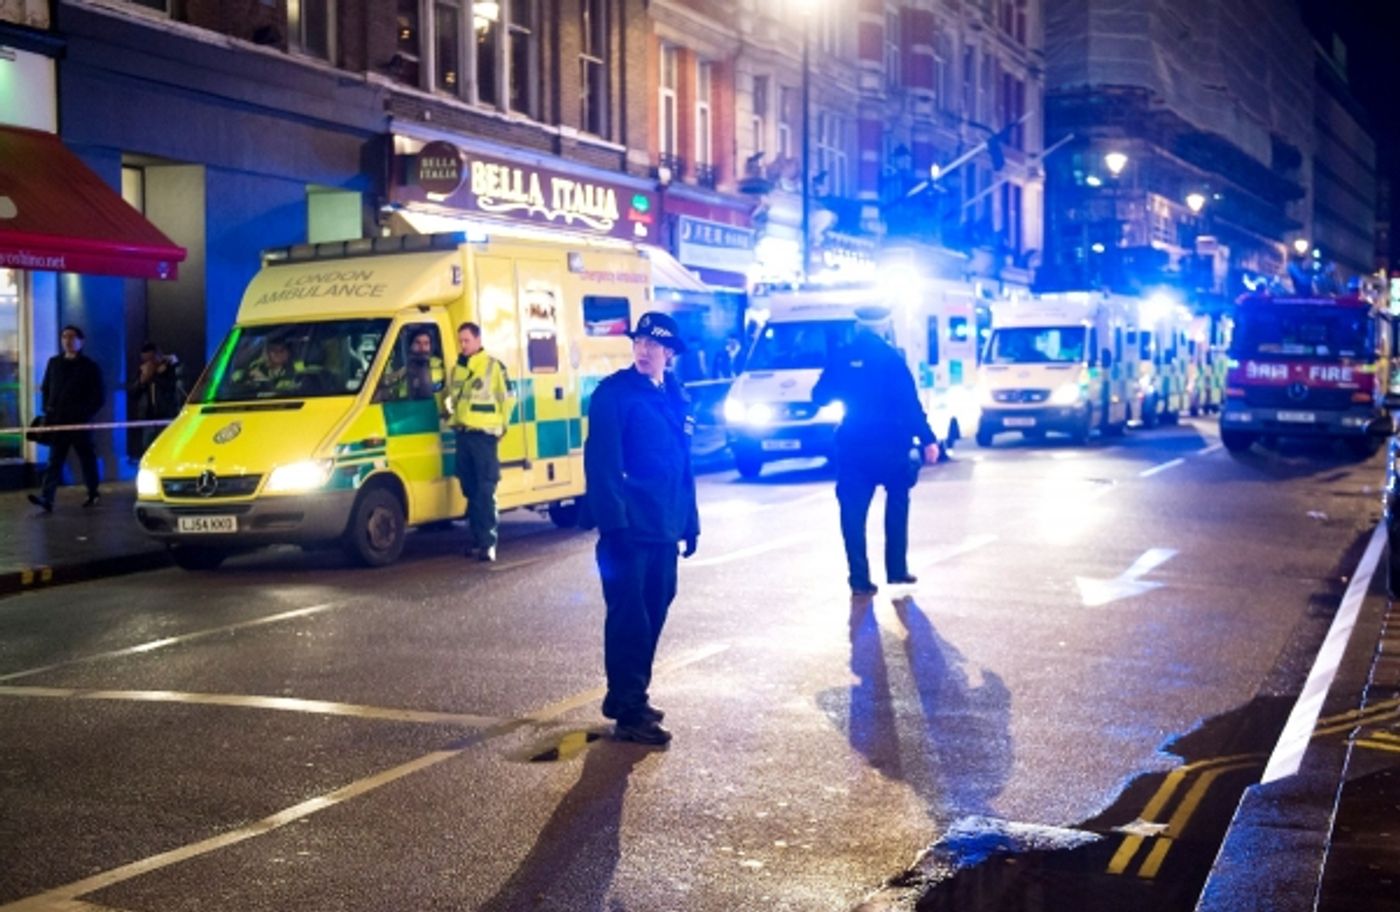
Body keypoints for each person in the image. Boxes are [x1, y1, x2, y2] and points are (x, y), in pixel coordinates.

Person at [583, 311, 700, 746]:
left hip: (665, 526)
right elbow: (602, 465)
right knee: (629, 619)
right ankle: (629, 711)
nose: (645, 350)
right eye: (640, 342)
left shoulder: (675, 394)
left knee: (656, 608)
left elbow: (682, 469)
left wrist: (690, 523)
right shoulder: (613, 395)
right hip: (629, 529)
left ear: (669, 353)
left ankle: (630, 695)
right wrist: (613, 527)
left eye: (654, 345)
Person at [812, 306, 939, 596]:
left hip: (854, 445)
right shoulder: (892, 358)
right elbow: (910, 404)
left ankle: (859, 578)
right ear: (884, 326)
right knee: (897, 504)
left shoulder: (842, 356)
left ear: (858, 326)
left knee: (852, 513)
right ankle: (896, 570)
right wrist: (928, 439)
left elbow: (819, 396)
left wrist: (846, 390)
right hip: (892, 445)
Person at [448, 321, 512, 562]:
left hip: (484, 437)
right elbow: (452, 400)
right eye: (460, 341)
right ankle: (478, 540)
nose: (462, 345)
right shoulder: (458, 369)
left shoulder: (493, 367)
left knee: (485, 491)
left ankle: (488, 543)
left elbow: (508, 399)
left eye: (466, 340)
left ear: (477, 340)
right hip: (463, 435)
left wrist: (501, 427)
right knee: (470, 489)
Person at [29, 324, 105, 513]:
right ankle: (47, 497)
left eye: (72, 337)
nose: (68, 341)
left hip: (79, 422)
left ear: (81, 341)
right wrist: (47, 409)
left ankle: (93, 492)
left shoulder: (89, 366)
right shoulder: (54, 363)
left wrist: (84, 414)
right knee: (55, 460)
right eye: (64, 337)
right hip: (58, 421)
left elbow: (98, 396)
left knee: (86, 458)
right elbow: (47, 387)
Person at [131, 342, 183, 453]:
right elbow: (134, 393)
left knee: (167, 447)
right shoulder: (143, 371)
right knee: (147, 448)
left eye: (151, 359)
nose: (148, 363)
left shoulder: (170, 368)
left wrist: (155, 376)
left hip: (166, 416)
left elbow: (173, 387)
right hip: (148, 417)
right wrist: (142, 381)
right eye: (145, 360)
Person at [382, 329, 444, 401]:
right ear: (411, 346)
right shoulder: (402, 369)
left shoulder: (440, 366)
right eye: (418, 343)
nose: (422, 348)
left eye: (426, 343)